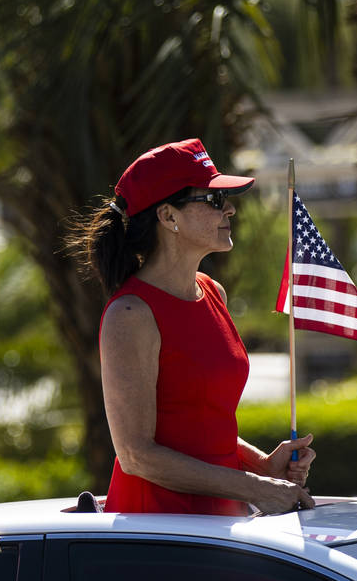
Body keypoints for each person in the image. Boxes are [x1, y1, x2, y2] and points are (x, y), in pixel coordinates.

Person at [68, 138, 315, 515]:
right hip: (160, 531)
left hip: (220, 522)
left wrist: (262, 466)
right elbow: (136, 455)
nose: (230, 208)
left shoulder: (213, 291)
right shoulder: (131, 313)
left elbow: (199, 426)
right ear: (168, 217)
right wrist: (254, 486)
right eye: (214, 200)